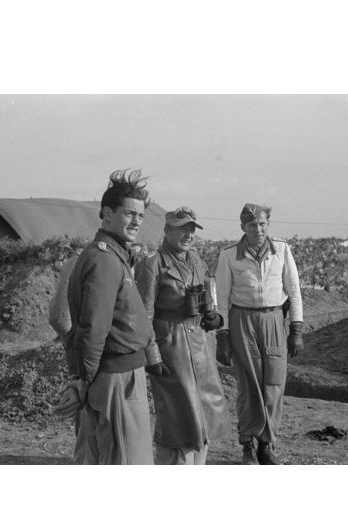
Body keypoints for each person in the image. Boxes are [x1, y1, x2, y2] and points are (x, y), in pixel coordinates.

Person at [53, 169, 168, 465]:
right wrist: (82, 382)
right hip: (117, 378)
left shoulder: (113, 256)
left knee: (103, 456)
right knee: (127, 460)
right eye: (129, 214)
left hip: (118, 375)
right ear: (106, 214)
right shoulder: (104, 260)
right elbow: (93, 329)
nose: (136, 222)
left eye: (140, 216)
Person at [135, 207, 230, 465]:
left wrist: (213, 317)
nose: (188, 235)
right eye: (182, 229)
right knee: (179, 418)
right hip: (171, 347)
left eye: (191, 229)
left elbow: (205, 294)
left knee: (206, 416)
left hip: (199, 344)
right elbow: (144, 315)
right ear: (167, 230)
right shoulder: (151, 264)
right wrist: (152, 355)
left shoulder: (195, 259)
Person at [215, 203, 304, 465]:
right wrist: (223, 336)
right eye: (252, 225)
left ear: (268, 224)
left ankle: (267, 444)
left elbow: (294, 290)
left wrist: (296, 329)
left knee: (275, 383)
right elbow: (222, 300)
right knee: (248, 385)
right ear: (243, 227)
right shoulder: (229, 255)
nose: (258, 229)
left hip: (275, 318)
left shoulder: (282, 250)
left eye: (263, 224)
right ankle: (247, 444)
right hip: (242, 320)